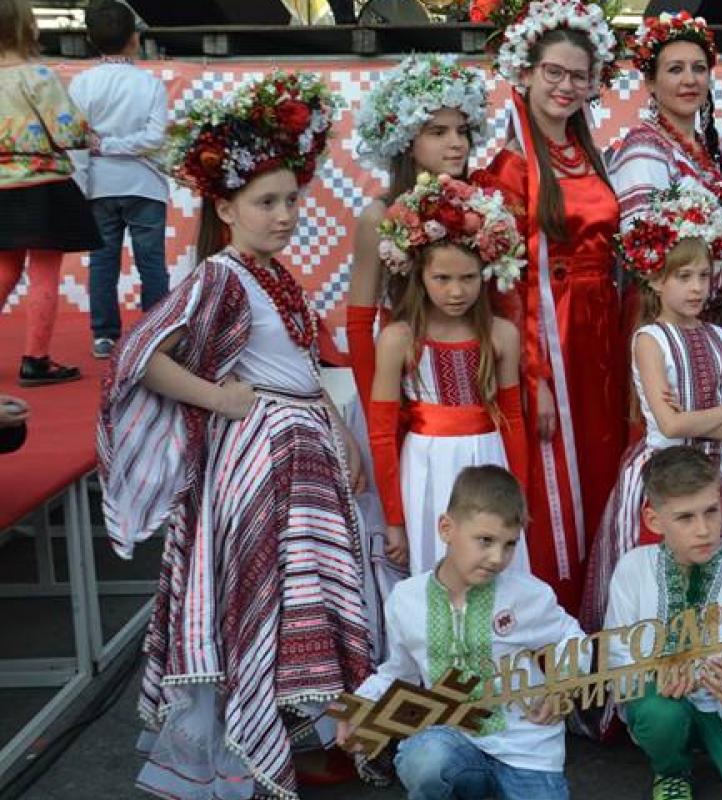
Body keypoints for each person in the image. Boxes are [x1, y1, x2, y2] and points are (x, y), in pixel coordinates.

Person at [98, 72, 372, 798]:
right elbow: (139, 356)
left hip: (297, 455)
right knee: (265, 604)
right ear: (225, 208)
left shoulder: (269, 272)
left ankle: (288, 743)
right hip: (263, 466)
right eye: (265, 203)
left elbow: (300, 366)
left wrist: (338, 432)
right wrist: (219, 397)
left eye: (291, 200)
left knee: (288, 606)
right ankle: (253, 752)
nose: (284, 215)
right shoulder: (221, 276)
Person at [476, 1, 627, 613]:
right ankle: (556, 612)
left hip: (601, 333)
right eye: (554, 73)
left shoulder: (589, 154)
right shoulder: (511, 169)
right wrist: (532, 375)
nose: (566, 86)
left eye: (578, 76)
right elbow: (507, 284)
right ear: (526, 73)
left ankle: (603, 606)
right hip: (551, 336)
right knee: (558, 475)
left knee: (602, 463)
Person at [582, 186, 722, 634]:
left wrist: (698, 418)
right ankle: (651, 659)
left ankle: (711, 656)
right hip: (663, 473)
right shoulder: (650, 339)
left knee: (713, 572)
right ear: (655, 280)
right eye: (683, 277)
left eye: (704, 276)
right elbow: (668, 425)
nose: (697, 288)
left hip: (718, 472)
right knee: (658, 577)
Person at [338, 465, 586, 800]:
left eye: (509, 544)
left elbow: (572, 637)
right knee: (425, 761)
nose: (497, 558)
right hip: (452, 740)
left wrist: (562, 686)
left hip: (527, 750)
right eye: (485, 541)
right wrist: (361, 706)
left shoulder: (528, 594)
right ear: (446, 528)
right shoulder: (406, 600)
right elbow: (399, 673)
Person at [605, 447, 722, 800]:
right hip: (664, 707)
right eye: (685, 518)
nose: (704, 530)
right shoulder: (632, 570)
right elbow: (617, 657)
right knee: (658, 713)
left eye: (711, 511)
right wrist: (655, 673)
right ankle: (672, 770)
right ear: (654, 520)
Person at [366, 172, 531, 577]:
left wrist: (520, 497)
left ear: (485, 273)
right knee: (436, 567)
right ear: (419, 277)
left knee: (495, 568)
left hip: (488, 458)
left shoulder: (501, 335)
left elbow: (512, 419)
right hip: (426, 467)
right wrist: (394, 519)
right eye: (442, 279)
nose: (456, 292)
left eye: (468, 278)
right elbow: (381, 433)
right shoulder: (398, 339)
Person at [349, 53, 489, 409]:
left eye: (462, 131)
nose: (457, 143)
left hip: (475, 383)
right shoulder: (378, 217)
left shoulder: (481, 207)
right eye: (438, 132)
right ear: (406, 141)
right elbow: (359, 326)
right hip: (405, 386)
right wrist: (377, 412)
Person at [609, 12, 722, 314]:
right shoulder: (643, 147)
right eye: (675, 69)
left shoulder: (708, 150)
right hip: (664, 319)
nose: (690, 79)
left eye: (699, 68)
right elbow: (644, 252)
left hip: (708, 316)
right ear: (650, 81)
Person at [0, 0, 101, 385]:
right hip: (43, 186)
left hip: (1, 187)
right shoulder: (39, 76)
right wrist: (89, 136)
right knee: (43, 271)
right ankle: (35, 359)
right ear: (27, 27)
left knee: (4, 270)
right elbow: (69, 132)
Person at [70, 0, 169, 360]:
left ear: (91, 40)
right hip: (145, 184)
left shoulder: (81, 84)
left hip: (100, 185)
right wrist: (122, 146)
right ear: (134, 39)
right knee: (152, 262)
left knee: (102, 262)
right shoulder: (151, 84)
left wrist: (101, 153)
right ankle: (156, 332)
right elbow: (155, 138)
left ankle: (104, 335)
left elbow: (77, 142)